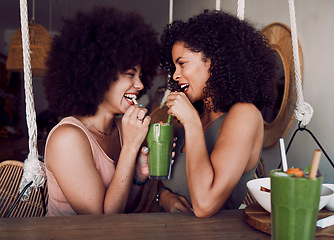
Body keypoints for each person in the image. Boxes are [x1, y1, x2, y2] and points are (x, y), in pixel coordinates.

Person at [158, 10, 277, 218]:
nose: (176, 76)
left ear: (213, 62)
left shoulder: (244, 115)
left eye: (182, 63)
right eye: (174, 66)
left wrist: (192, 123)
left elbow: (205, 205)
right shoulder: (192, 115)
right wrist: (163, 196)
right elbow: (169, 182)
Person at [43, 6, 160, 216]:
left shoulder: (122, 128)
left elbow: (124, 206)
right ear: (99, 75)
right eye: (130, 74)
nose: (141, 85)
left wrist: (139, 175)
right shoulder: (67, 138)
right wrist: (131, 147)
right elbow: (100, 221)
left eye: (141, 76)